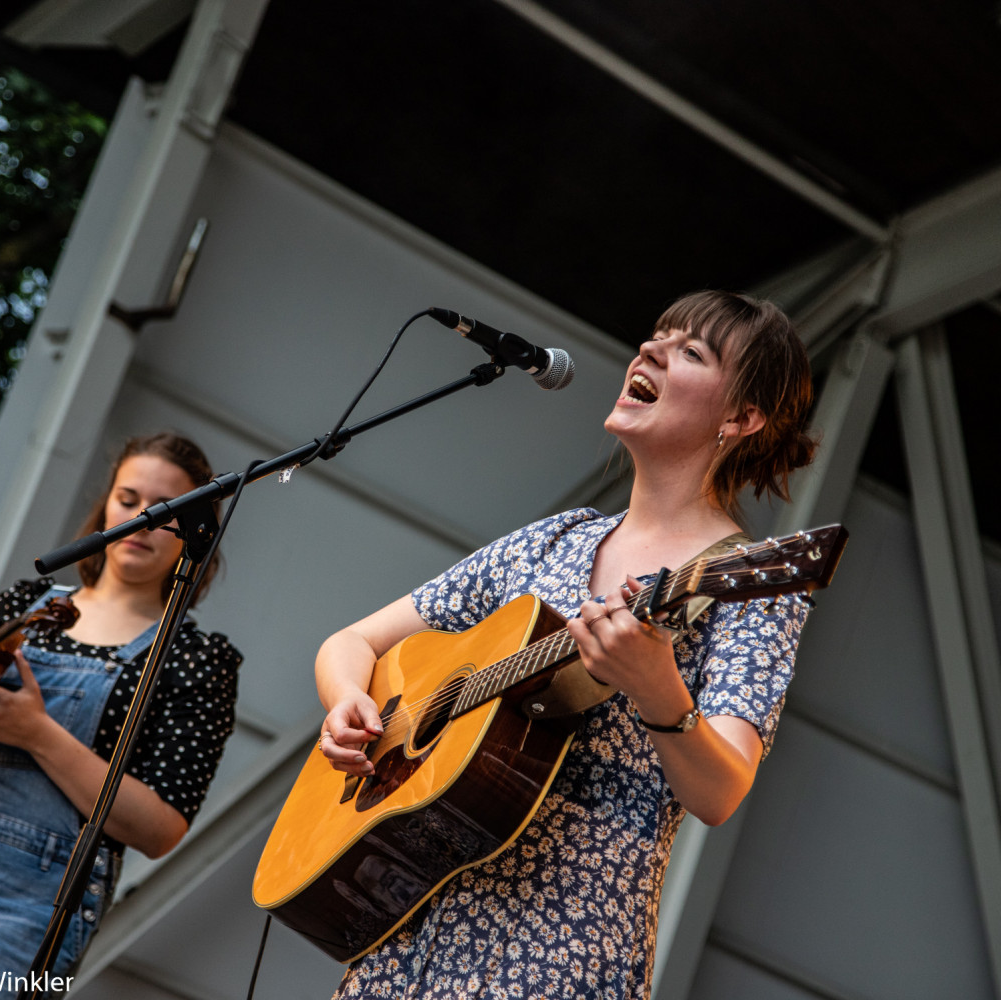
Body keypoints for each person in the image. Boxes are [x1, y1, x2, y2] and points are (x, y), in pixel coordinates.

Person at [317, 291, 816, 999]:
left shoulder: (751, 585)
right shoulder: (554, 539)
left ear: (740, 418)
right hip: (410, 935)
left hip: (562, 953)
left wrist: (655, 686)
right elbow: (353, 642)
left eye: (691, 352)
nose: (650, 352)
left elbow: (720, 790)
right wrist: (346, 706)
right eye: (656, 337)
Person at [0, 432, 241, 995]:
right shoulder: (24, 603)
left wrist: (36, 733)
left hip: (34, 897)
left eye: (165, 511)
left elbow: (159, 829)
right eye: (128, 501)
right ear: (106, 505)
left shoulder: (198, 658)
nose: (141, 520)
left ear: (194, 531)